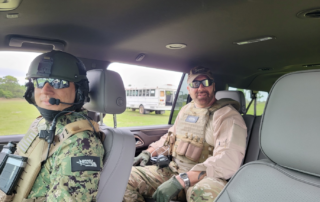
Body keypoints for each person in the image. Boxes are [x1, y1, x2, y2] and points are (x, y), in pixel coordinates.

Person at [123, 66, 247, 202]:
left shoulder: (227, 116)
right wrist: (148, 152)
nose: (200, 88)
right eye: (195, 84)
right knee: (124, 178)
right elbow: (169, 139)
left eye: (205, 83)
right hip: (174, 171)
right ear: (188, 89)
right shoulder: (185, 110)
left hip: (207, 177)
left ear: (213, 86)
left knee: (202, 194)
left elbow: (228, 159)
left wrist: (183, 179)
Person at [12, 51, 104, 202]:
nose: (45, 90)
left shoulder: (81, 142)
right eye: (40, 81)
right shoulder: (41, 123)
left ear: (79, 91)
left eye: (58, 82)